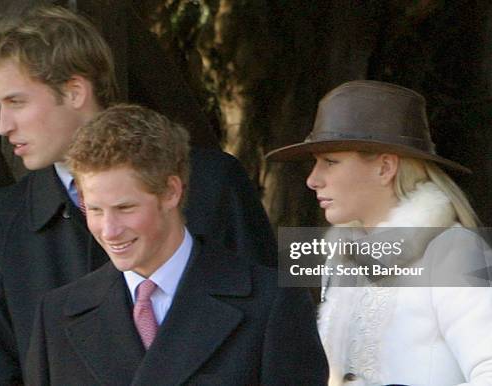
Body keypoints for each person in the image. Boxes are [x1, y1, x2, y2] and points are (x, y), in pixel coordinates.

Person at [0, 5, 275, 384]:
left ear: (75, 91)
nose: (3, 125)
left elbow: (274, 328)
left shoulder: (213, 183)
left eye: (16, 102)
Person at [24, 103, 327, 385]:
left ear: (171, 192)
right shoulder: (56, 315)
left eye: (125, 208)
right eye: (94, 209)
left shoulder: (271, 303)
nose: (109, 230)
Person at [267, 80, 492, 385]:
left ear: (385, 167)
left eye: (330, 162)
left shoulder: (458, 250)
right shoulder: (343, 259)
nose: (313, 179)